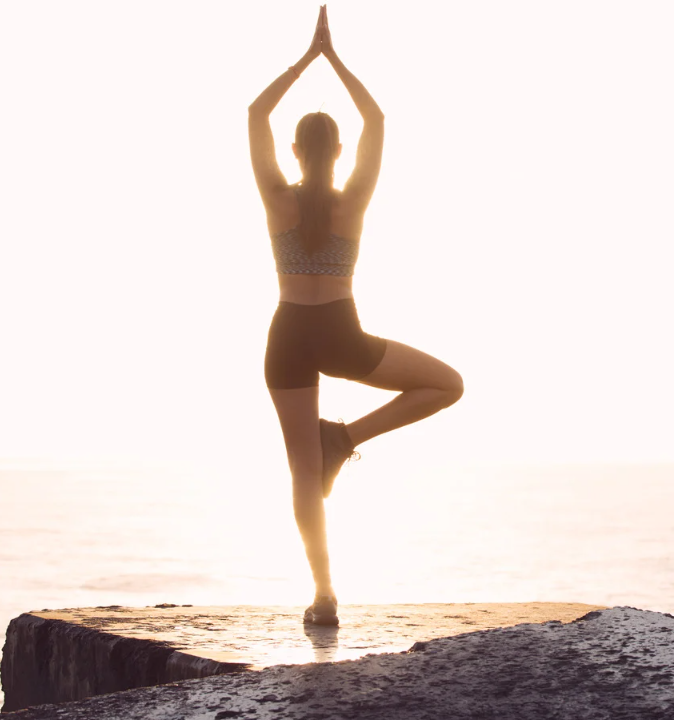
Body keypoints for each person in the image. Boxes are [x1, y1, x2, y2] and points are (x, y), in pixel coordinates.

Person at [248, 5, 463, 626]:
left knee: (302, 473)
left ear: (293, 149)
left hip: (288, 334)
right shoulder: (356, 198)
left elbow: (256, 114)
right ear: (340, 151)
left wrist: (304, 59)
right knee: (448, 385)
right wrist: (335, 59)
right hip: (342, 333)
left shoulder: (276, 197)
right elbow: (376, 117)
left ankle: (323, 595)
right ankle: (344, 438)